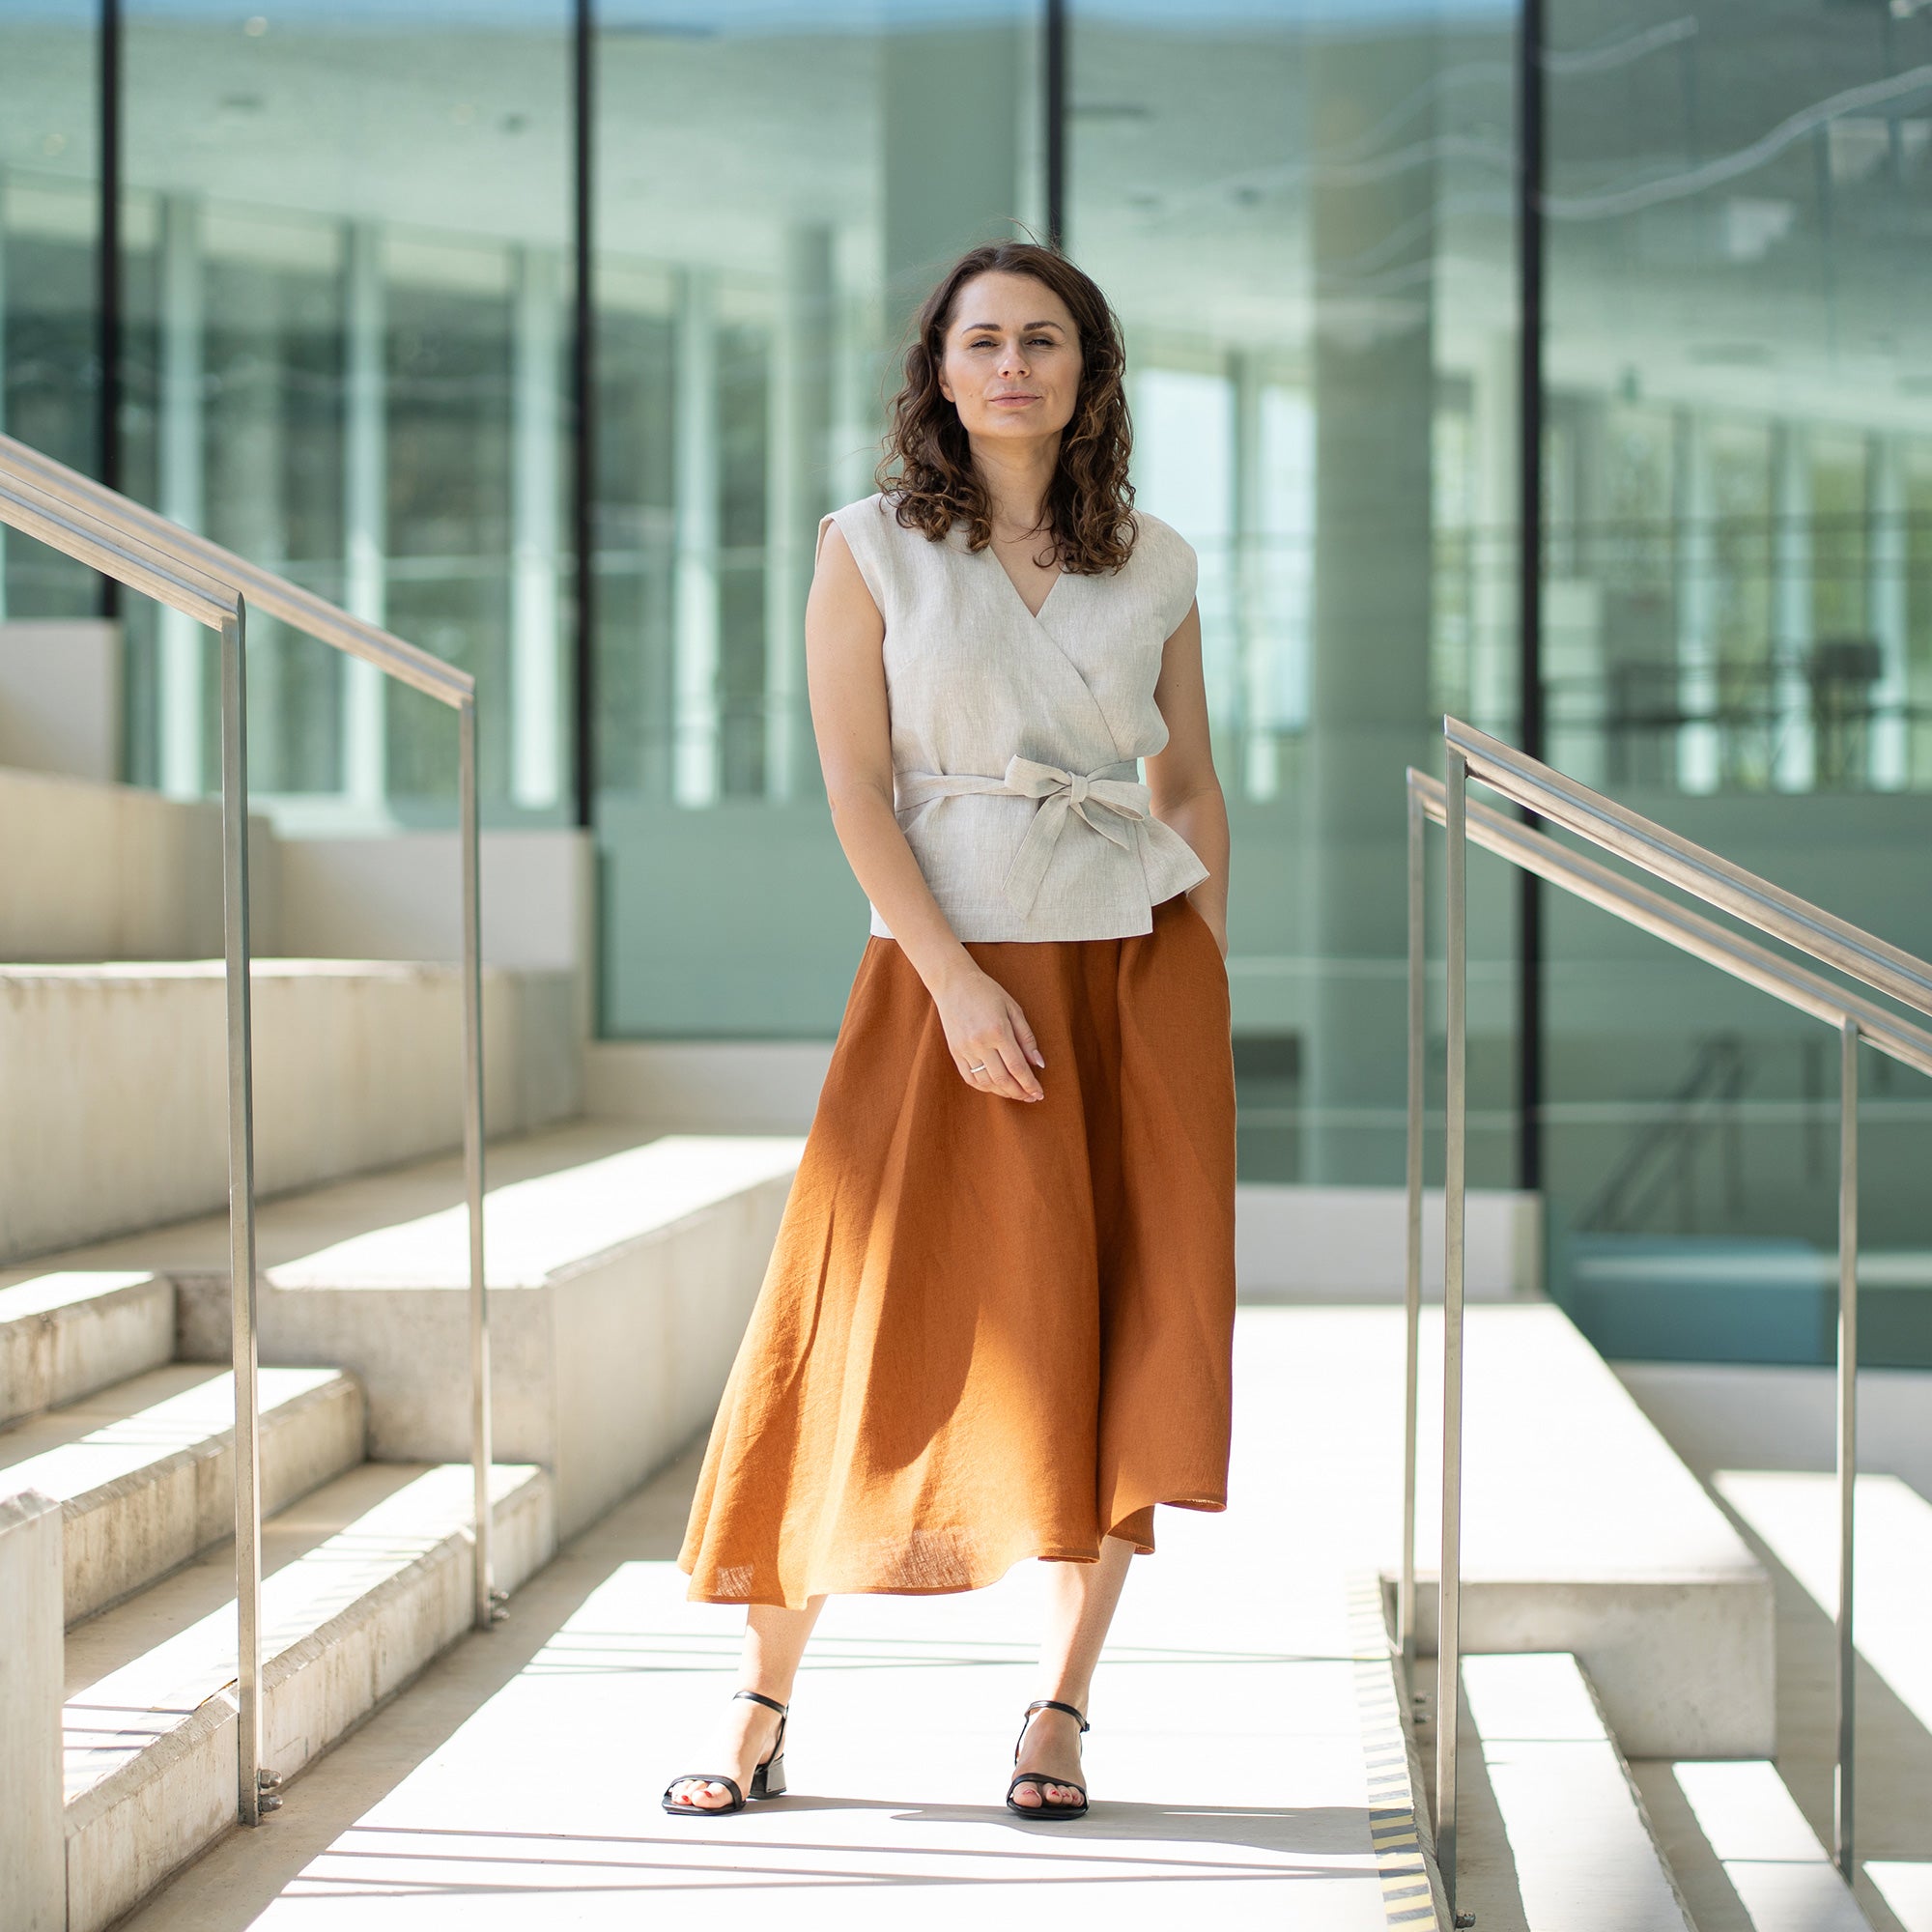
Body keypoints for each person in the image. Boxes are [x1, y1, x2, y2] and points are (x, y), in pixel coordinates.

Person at [662, 239, 1236, 1822]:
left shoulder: (1158, 561)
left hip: (1128, 975)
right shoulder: (869, 548)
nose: (1011, 366)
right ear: (939, 369)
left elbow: (1191, 783)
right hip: (940, 973)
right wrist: (956, 981)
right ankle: (760, 1702)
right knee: (856, 1321)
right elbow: (857, 787)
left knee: (1114, 1333)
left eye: (1043, 339)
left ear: (1088, 370)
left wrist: (1201, 961)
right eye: (982, 340)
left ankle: (1061, 1709)